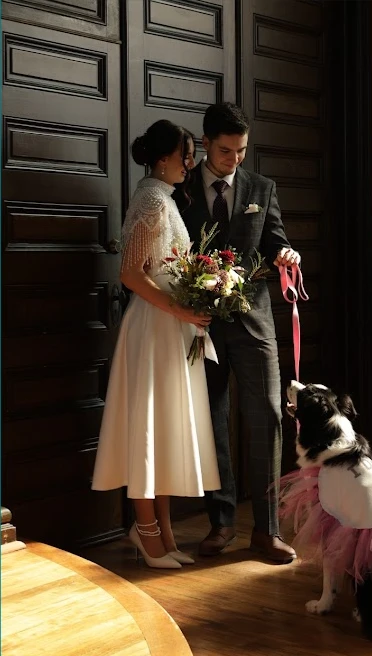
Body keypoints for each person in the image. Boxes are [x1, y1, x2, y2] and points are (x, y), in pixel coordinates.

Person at [92, 119, 220, 569]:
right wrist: (182, 310)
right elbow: (130, 274)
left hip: (170, 326)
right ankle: (146, 531)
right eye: (186, 155)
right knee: (149, 426)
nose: (190, 164)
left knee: (163, 428)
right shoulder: (150, 199)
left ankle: (163, 533)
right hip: (154, 327)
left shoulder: (162, 196)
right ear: (164, 157)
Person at [176, 103, 300, 563]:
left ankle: (267, 531)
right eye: (226, 150)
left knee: (267, 414)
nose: (234, 159)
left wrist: (286, 254)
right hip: (199, 325)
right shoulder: (180, 188)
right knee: (211, 421)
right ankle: (221, 523)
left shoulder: (262, 188)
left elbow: (275, 240)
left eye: (242, 150)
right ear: (206, 143)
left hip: (253, 320)